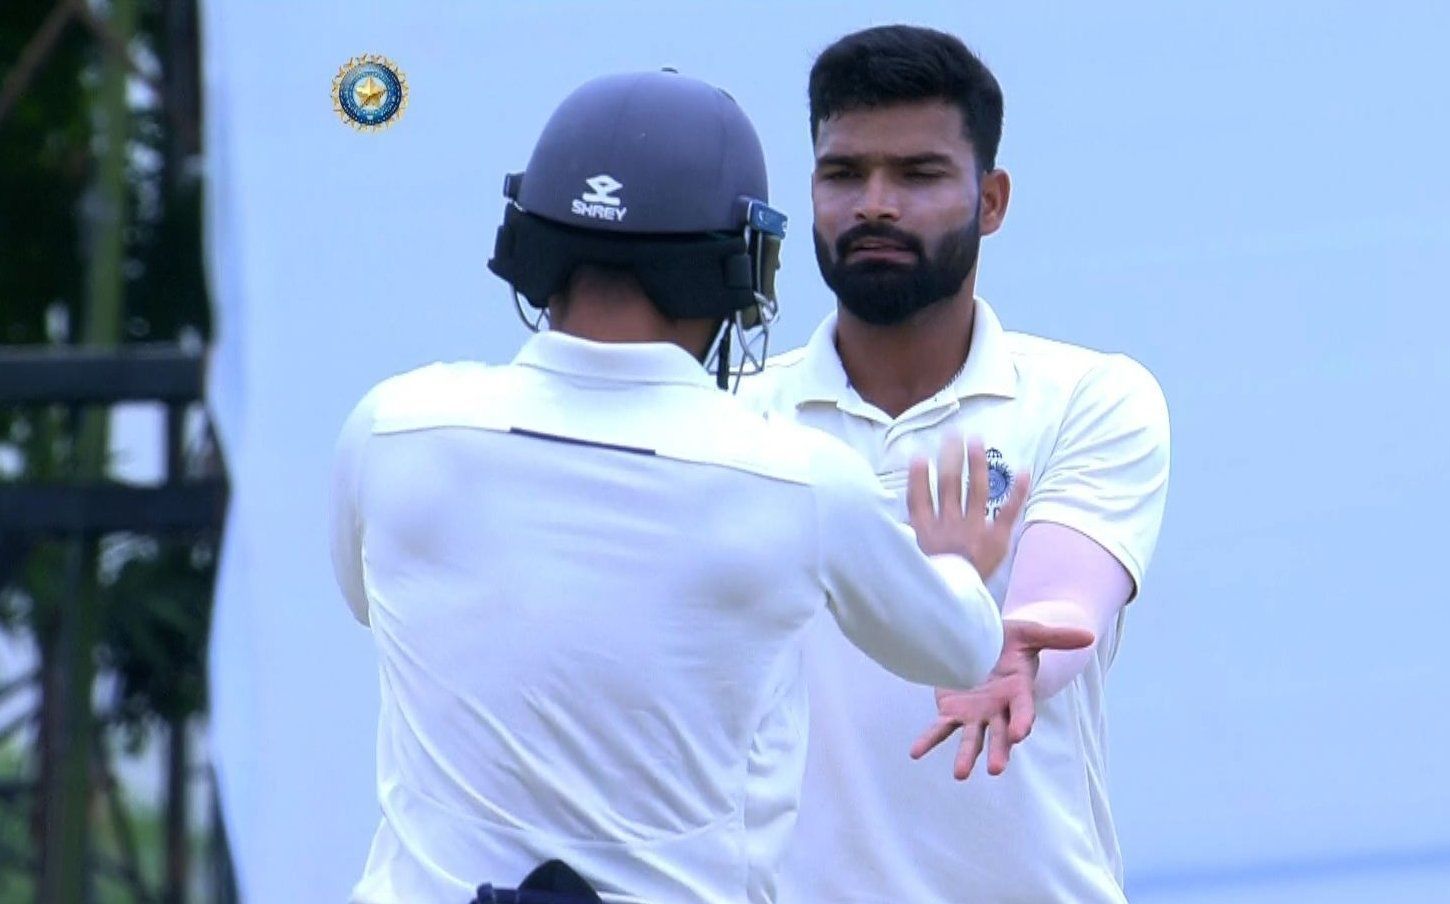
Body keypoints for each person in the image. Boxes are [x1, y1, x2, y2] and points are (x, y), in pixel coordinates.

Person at [329, 69, 1092, 904]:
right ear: (739, 267)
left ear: (528, 246)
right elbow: (954, 649)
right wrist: (956, 566)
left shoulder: (390, 426)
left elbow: (370, 599)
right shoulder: (794, 479)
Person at [740, 26, 1172, 903]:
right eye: (844, 174)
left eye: (919, 174)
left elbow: (1063, 603)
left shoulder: (1089, 396)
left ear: (993, 199)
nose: (875, 204)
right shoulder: (736, 420)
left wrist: (1013, 658)